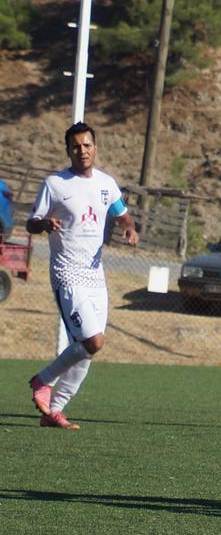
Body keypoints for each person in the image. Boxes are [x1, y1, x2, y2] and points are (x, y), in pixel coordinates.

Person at [27, 122, 140, 430]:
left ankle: (54, 411)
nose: (82, 150)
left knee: (88, 350)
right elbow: (31, 222)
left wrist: (129, 229)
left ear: (95, 147)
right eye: (75, 146)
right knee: (93, 340)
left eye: (87, 145)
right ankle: (43, 380)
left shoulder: (106, 183)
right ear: (68, 150)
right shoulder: (55, 184)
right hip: (66, 273)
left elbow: (122, 214)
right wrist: (44, 224)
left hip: (95, 276)